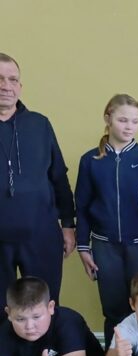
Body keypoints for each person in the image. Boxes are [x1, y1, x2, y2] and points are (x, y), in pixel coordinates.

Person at [75, 94, 138, 348]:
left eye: (135, 121)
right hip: (105, 247)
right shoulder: (90, 160)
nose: (129, 127)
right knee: (114, 309)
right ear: (108, 118)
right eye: (123, 120)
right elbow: (81, 206)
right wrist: (83, 246)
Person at [0, 53, 75, 312]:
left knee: (44, 308)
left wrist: (68, 224)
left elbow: (58, 177)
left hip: (40, 234)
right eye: (0, 79)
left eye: (12, 79)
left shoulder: (39, 124)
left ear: (20, 86)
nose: (6, 86)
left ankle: (47, 342)